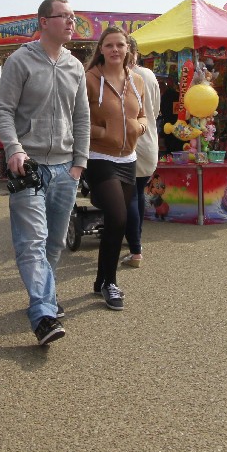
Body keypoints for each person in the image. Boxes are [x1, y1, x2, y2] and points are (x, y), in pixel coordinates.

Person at [0, 0, 89, 346]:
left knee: (54, 242)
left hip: (65, 168)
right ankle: (44, 314)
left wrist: (79, 163)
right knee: (31, 242)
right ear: (44, 22)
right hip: (28, 166)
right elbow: (3, 110)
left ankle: (43, 297)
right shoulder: (20, 61)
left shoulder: (75, 66)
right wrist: (14, 148)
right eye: (64, 16)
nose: (71, 22)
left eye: (73, 16)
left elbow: (82, 117)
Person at [82, 27, 149, 310]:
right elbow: (77, 120)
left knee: (115, 222)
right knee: (119, 217)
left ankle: (100, 280)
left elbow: (143, 115)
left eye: (120, 45)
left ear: (127, 49)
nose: (115, 50)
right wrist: (104, 132)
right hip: (98, 157)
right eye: (109, 45)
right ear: (101, 49)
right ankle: (111, 283)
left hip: (128, 160)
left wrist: (138, 127)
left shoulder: (137, 80)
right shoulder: (89, 79)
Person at [123, 35, 160, 269]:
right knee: (138, 192)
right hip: (149, 141)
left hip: (129, 141)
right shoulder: (149, 75)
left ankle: (135, 248)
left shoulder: (123, 76)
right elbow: (154, 110)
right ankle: (136, 241)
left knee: (130, 195)